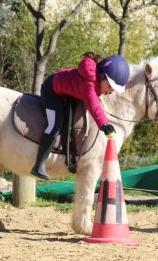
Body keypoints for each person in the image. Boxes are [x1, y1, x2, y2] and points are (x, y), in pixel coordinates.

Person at [31, 52, 130, 180]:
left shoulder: (96, 81)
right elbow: (93, 104)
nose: (110, 92)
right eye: (110, 86)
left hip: (66, 90)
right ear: (102, 76)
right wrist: (104, 124)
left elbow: (94, 97)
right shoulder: (89, 85)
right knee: (54, 124)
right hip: (51, 91)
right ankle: (38, 165)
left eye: (113, 89)